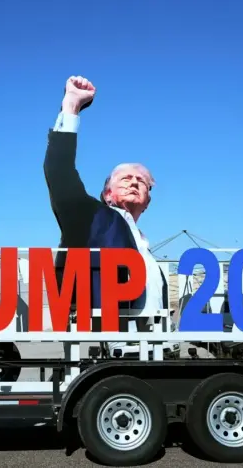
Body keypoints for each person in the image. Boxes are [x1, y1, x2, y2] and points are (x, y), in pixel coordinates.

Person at [43, 75, 168, 357]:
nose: (134, 181)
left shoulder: (144, 246)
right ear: (107, 194)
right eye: (125, 178)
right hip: (116, 351)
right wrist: (71, 107)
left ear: (148, 201)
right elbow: (59, 173)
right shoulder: (94, 218)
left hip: (154, 352)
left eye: (142, 181)